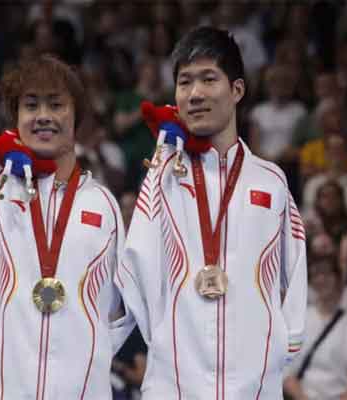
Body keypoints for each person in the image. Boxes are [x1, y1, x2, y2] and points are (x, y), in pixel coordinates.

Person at [118, 27, 308, 399]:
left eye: (208, 79)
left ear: (237, 90)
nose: (195, 94)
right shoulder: (161, 177)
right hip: (174, 385)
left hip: (254, 386)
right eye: (185, 82)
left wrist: (273, 355)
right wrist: (167, 343)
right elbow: (133, 271)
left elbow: (295, 272)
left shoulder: (270, 182)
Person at [0, 54, 134, 399]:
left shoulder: (103, 203)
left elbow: (119, 307)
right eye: (31, 105)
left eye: (56, 104)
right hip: (3, 386)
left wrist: (90, 359)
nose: (44, 116)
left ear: (76, 115)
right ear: (15, 118)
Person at [283, 257, 347, 400]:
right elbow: (286, 371)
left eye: (326, 273)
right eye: (315, 275)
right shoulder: (298, 321)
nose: (321, 279)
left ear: (339, 279)